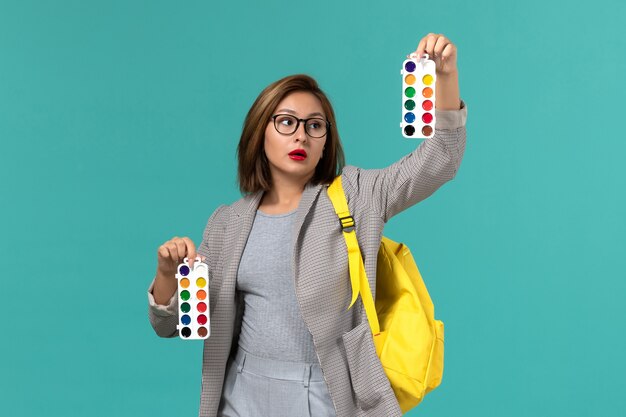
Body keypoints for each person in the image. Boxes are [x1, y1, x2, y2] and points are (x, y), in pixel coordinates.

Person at [147, 33, 467, 417]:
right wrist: (167, 273)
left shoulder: (357, 196)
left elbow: (440, 160)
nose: (301, 133)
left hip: (321, 393)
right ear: (259, 132)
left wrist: (445, 77)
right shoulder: (226, 223)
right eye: (286, 122)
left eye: (315, 125)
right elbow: (172, 326)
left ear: (325, 140)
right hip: (240, 393)